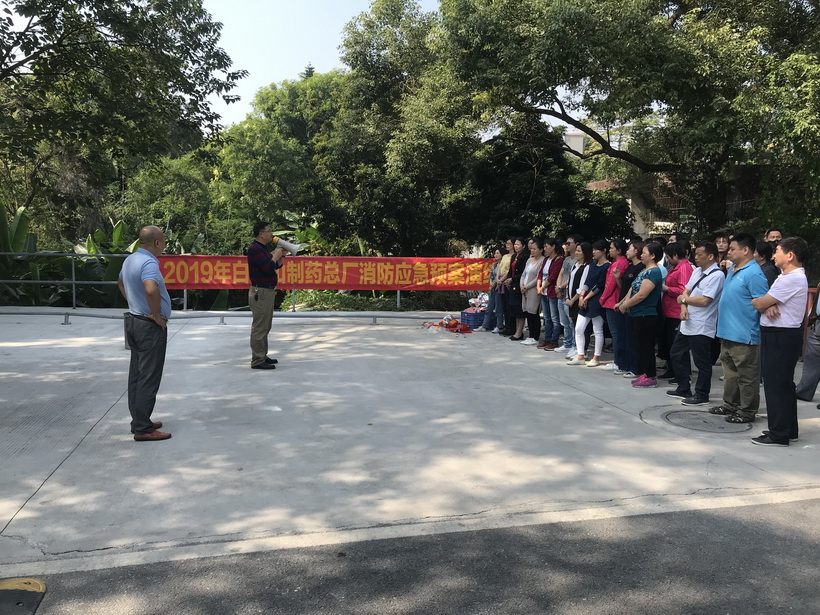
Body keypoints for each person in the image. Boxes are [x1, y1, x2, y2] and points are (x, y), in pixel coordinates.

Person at [750, 237, 809, 446]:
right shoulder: (787, 276)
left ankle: (778, 434)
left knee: (776, 385)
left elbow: (759, 301)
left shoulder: (791, 278)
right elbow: (767, 302)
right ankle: (788, 429)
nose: (774, 255)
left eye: (778, 251)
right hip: (781, 334)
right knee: (783, 385)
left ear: (790, 255)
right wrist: (767, 304)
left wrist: (764, 303)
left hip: (780, 335)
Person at [117, 226, 173, 442]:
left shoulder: (130, 259)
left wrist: (134, 302)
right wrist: (156, 315)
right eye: (164, 241)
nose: (165, 244)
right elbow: (150, 289)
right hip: (148, 327)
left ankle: (140, 420)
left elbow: (121, 282)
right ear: (157, 243)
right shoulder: (149, 262)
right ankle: (143, 428)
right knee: (149, 377)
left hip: (133, 322)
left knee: (137, 375)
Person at [709, 233, 770, 423]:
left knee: (747, 376)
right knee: (730, 375)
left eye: (733, 249)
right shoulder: (733, 269)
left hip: (744, 334)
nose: (729, 252)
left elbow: (763, 302)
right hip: (727, 332)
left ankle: (747, 411)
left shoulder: (754, 274)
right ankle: (730, 404)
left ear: (745, 250)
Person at [667, 242, 725, 405]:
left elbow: (705, 300)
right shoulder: (698, 271)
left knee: (702, 362)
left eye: (700, 254)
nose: (696, 257)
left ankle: (702, 394)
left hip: (702, 324)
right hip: (688, 321)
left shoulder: (717, 275)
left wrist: (684, 300)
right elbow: (687, 290)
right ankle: (683, 387)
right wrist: (684, 306)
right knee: (676, 353)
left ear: (711, 256)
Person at [615, 242, 664, 388]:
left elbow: (642, 294)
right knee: (641, 345)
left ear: (653, 255)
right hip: (637, 313)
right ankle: (645, 372)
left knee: (646, 346)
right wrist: (622, 302)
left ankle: (650, 376)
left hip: (646, 314)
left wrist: (626, 305)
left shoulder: (654, 271)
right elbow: (633, 289)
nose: (641, 255)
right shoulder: (644, 271)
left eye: (644, 252)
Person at [248, 221, 287, 370]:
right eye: (269, 231)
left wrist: (281, 257)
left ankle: (262, 355)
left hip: (267, 291)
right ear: (261, 233)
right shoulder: (254, 249)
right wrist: (275, 255)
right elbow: (267, 267)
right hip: (261, 292)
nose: (271, 233)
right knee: (260, 327)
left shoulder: (262, 248)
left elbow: (274, 266)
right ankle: (257, 360)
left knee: (266, 326)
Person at [568, 240, 610, 366]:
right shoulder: (592, 265)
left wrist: (586, 298)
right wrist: (582, 296)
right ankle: (581, 354)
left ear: (604, 251)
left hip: (596, 300)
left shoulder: (607, 266)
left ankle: (596, 357)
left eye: (596, 250)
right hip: (586, 298)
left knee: (598, 329)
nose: (594, 252)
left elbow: (600, 285)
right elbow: (586, 282)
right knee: (579, 328)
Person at [658, 242, 694, 380]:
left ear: (674, 255)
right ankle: (673, 369)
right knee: (669, 343)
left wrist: (667, 289)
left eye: (668, 256)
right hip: (669, 310)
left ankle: (681, 374)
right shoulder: (676, 268)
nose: (667, 259)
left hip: (676, 311)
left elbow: (683, 290)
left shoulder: (684, 268)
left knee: (677, 345)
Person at [600, 239, 629, 372]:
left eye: (612, 248)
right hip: (612, 301)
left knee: (617, 334)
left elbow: (610, 284)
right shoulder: (618, 262)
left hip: (613, 302)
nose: (610, 250)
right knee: (617, 333)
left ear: (618, 250)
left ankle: (619, 362)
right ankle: (618, 361)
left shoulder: (620, 263)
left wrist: (603, 298)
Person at [554, 234, 583, 354]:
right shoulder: (566, 259)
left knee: (572, 321)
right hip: (562, 292)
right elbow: (561, 273)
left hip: (570, 293)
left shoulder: (578, 261)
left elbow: (571, 277)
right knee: (564, 321)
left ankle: (574, 346)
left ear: (576, 244)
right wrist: (558, 287)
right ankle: (566, 343)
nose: (566, 245)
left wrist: (561, 287)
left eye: (569, 243)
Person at [564, 241, 591, 359]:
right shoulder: (575, 264)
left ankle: (583, 350)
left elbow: (582, 286)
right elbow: (569, 281)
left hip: (577, 299)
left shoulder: (587, 266)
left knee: (582, 327)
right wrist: (567, 297)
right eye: (577, 250)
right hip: (570, 298)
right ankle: (577, 348)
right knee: (574, 324)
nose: (577, 253)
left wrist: (573, 299)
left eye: (579, 251)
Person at [537, 238, 564, 349]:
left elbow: (553, 276)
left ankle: (554, 340)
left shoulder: (559, 259)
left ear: (553, 247)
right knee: (547, 318)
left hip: (552, 291)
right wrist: (539, 286)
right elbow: (540, 273)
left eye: (547, 246)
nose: (545, 249)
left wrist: (542, 286)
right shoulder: (546, 259)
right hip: (544, 292)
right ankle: (547, 339)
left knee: (554, 318)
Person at [520, 238, 545, 345]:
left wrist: (527, 286)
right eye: (531, 249)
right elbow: (524, 274)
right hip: (524, 289)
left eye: (535, 249)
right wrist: (521, 285)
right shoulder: (529, 260)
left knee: (533, 313)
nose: (532, 251)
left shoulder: (542, 261)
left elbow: (538, 277)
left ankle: (535, 336)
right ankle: (530, 335)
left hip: (533, 290)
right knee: (527, 313)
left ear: (541, 250)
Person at [475, 246, 507, 332]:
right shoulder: (495, 265)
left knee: (498, 308)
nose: (496, 255)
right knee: (489, 308)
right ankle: (484, 326)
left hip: (500, 288)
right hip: (493, 288)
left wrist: (496, 284)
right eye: (495, 253)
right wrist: (491, 284)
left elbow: (503, 276)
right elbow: (491, 276)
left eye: (498, 253)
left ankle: (499, 326)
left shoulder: (503, 265)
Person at [506, 238, 528, 340]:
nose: (516, 246)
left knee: (519, 310)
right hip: (512, 284)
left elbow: (523, 272)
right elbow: (511, 270)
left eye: (518, 244)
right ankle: (516, 331)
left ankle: (519, 332)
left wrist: (513, 278)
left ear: (523, 246)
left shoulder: (525, 257)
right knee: (513, 309)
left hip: (520, 284)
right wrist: (508, 279)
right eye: (515, 244)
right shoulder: (514, 256)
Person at [496, 239, 514, 335]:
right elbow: (500, 268)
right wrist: (498, 279)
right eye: (506, 243)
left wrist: (502, 280)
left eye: (509, 243)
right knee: (504, 306)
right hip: (500, 281)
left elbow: (509, 270)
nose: (507, 245)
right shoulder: (505, 256)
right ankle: (506, 326)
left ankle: (511, 327)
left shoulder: (513, 256)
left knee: (508, 305)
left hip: (506, 280)